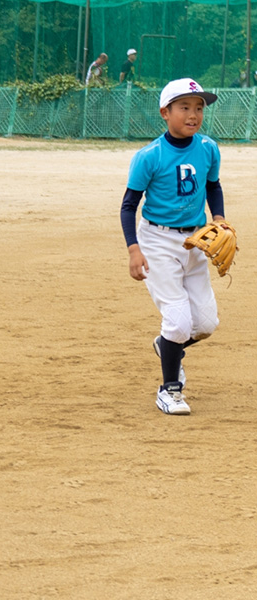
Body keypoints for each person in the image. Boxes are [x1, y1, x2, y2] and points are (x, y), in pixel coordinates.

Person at [120, 78, 225, 416]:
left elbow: (213, 186)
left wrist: (219, 218)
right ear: (165, 112)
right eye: (184, 108)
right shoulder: (149, 156)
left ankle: (167, 347)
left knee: (205, 325)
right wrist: (134, 248)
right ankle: (170, 390)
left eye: (199, 108)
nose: (193, 114)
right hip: (158, 240)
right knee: (178, 323)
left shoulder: (208, 148)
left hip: (195, 240)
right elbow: (128, 205)